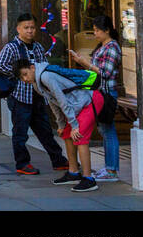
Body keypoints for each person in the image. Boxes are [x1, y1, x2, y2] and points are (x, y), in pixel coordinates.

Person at [0, 14, 70, 177]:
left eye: (32, 27)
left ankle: (58, 161)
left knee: (45, 131)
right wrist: (19, 75)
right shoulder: (12, 47)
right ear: (18, 29)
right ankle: (22, 164)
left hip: (37, 96)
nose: (30, 31)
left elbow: (44, 67)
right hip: (20, 96)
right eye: (26, 28)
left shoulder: (38, 47)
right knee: (20, 133)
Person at [16, 58, 103, 193]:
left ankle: (88, 179)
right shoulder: (36, 83)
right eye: (21, 78)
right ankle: (73, 173)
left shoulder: (46, 76)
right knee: (67, 135)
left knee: (79, 136)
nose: (24, 79)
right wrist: (62, 124)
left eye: (25, 74)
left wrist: (74, 125)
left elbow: (62, 100)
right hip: (77, 106)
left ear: (32, 67)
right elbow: (53, 102)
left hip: (90, 100)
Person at [70, 14, 121, 183]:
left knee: (108, 130)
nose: (95, 34)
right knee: (105, 130)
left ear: (107, 31)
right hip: (99, 93)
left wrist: (85, 63)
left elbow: (104, 73)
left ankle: (112, 170)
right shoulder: (103, 46)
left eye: (97, 30)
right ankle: (108, 168)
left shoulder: (112, 47)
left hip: (107, 93)